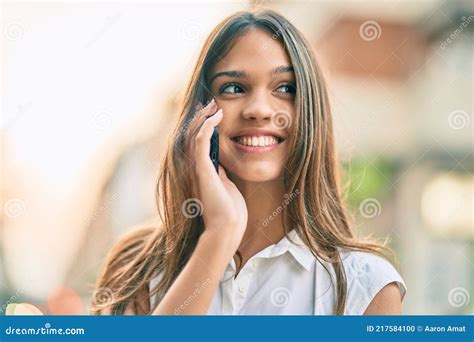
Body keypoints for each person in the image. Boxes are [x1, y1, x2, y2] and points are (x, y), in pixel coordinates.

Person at [91, 9, 406, 316]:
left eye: (285, 88)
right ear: (200, 113)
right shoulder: (138, 265)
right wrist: (220, 234)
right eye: (234, 88)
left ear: (310, 112)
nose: (259, 109)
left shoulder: (366, 287)